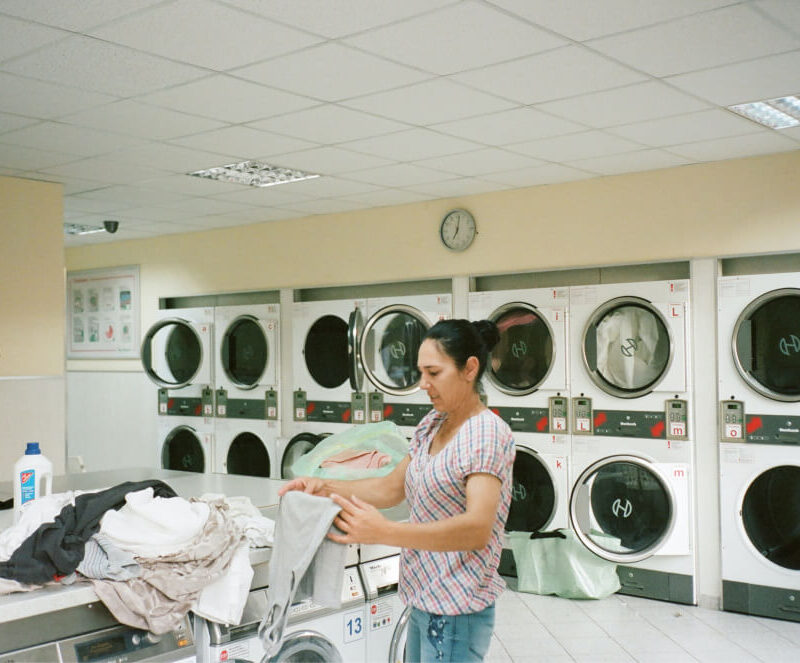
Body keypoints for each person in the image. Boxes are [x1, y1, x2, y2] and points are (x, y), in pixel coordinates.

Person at [279, 319, 515, 662]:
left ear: (470, 369)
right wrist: (323, 487)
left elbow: (477, 529)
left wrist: (386, 531)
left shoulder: (486, 434)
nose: (424, 384)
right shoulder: (432, 425)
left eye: (433, 373)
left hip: (456, 609)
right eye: (421, 373)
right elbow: (391, 488)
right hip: (422, 597)